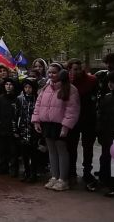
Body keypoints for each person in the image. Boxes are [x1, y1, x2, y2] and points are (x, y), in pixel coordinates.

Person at [32, 63, 80, 192]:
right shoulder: (46, 88)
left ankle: (63, 179)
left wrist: (66, 126)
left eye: (54, 72)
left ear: (61, 73)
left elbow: (72, 110)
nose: (51, 75)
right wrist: (36, 120)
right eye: (50, 72)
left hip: (60, 124)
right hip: (47, 123)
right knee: (51, 151)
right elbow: (38, 104)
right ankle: (54, 176)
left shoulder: (70, 89)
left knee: (61, 151)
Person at [66, 58, 98, 188]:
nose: (78, 71)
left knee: (88, 146)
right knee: (71, 147)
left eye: (80, 68)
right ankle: (72, 172)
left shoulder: (92, 80)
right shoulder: (67, 81)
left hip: (88, 118)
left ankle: (87, 172)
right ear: (70, 70)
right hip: (73, 118)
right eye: (75, 69)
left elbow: (95, 99)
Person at [96, 70, 114, 197]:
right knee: (105, 157)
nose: (110, 84)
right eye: (109, 82)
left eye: (113, 82)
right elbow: (101, 114)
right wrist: (100, 129)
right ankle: (105, 179)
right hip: (106, 132)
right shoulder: (107, 97)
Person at [0, 78, 20, 176]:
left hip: (13, 128)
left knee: (13, 150)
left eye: (10, 84)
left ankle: (13, 168)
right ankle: (2, 167)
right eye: (6, 84)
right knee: (2, 149)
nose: (8, 86)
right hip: (2, 127)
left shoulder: (17, 98)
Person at [16, 79, 40, 182]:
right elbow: (16, 114)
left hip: (33, 129)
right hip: (22, 128)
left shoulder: (37, 99)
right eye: (25, 87)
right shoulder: (20, 98)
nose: (27, 89)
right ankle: (26, 172)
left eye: (29, 87)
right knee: (24, 153)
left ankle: (33, 173)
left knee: (33, 153)